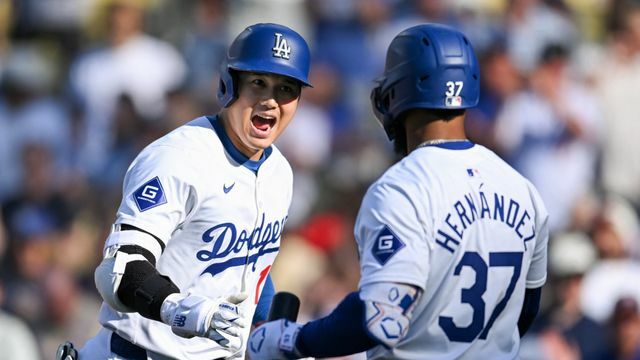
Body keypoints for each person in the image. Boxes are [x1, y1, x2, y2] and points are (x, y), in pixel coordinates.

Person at [248, 23, 549, 359]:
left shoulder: (400, 188)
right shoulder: (523, 189)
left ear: (396, 94)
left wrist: (293, 339)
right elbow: (524, 310)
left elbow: (382, 316)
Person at [58, 22, 312, 359]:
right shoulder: (177, 158)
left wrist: (269, 329)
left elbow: (252, 269)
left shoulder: (279, 171)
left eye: (285, 89)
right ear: (229, 84)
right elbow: (118, 272)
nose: (269, 101)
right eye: (258, 84)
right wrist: (180, 309)